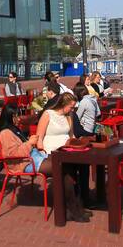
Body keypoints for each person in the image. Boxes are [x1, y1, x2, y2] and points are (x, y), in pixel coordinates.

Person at [32, 92, 89, 221]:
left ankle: (78, 204)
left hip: (67, 150)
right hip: (51, 152)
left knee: (83, 167)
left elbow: (71, 136)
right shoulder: (48, 115)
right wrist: (42, 152)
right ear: (63, 105)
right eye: (71, 107)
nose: (72, 109)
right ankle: (73, 208)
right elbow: (39, 137)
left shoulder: (69, 116)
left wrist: (77, 144)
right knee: (67, 172)